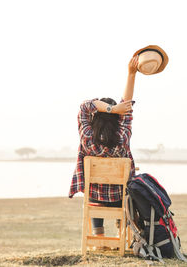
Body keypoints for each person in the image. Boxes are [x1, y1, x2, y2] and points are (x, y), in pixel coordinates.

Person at [69, 55, 139, 237]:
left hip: (94, 197)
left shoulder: (86, 137)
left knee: (94, 190)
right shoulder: (123, 136)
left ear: (95, 118)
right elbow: (127, 106)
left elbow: (84, 106)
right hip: (118, 199)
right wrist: (131, 74)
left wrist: (111, 109)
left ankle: (98, 234)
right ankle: (120, 233)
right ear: (119, 120)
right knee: (125, 192)